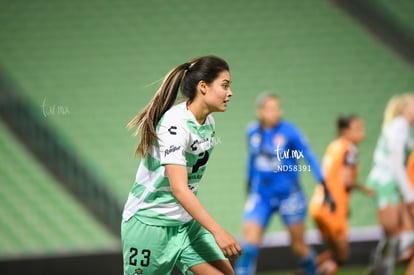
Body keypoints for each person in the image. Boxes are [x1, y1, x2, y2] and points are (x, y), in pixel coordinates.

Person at [121, 55, 242, 275]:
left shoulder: (209, 123)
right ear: (203, 87)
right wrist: (218, 231)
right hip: (151, 224)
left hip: (184, 224)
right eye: (224, 86)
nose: (230, 93)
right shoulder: (174, 125)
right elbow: (179, 189)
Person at [234, 93, 335, 275]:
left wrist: (324, 184)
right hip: (261, 196)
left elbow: (309, 156)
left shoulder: (290, 132)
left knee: (299, 248)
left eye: (278, 108)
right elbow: (251, 159)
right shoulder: (252, 132)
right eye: (270, 109)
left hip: (289, 196)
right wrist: (248, 183)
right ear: (260, 112)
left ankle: (313, 271)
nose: (275, 112)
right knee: (248, 247)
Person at [309, 115, 374, 274]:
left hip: (318, 205)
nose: (362, 133)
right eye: (358, 129)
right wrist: (365, 189)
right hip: (333, 208)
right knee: (342, 255)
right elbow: (346, 181)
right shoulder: (349, 149)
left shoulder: (334, 146)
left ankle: (305, 270)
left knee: (334, 253)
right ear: (345, 131)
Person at [366, 93, 414, 275]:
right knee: (397, 237)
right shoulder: (399, 127)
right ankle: (380, 269)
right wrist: (410, 195)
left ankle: (379, 268)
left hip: (394, 185)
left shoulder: (405, 128)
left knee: (404, 236)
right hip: (387, 183)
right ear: (403, 108)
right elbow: (396, 163)